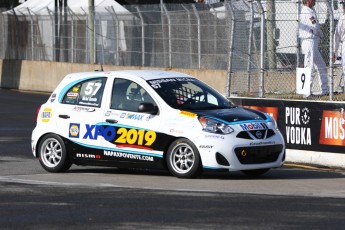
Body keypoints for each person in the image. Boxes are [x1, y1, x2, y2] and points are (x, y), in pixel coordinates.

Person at [298, 0, 329, 96]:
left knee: (321, 65)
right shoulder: (307, 12)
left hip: (313, 41)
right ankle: (306, 93)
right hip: (309, 41)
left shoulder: (310, 10)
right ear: (308, 1)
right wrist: (321, 34)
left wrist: (319, 33)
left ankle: (325, 89)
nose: (315, 1)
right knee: (309, 66)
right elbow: (315, 26)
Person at [334, 1, 345, 91]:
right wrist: (335, 51)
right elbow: (337, 34)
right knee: (344, 65)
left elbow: (337, 34)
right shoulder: (342, 17)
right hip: (343, 42)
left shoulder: (342, 17)